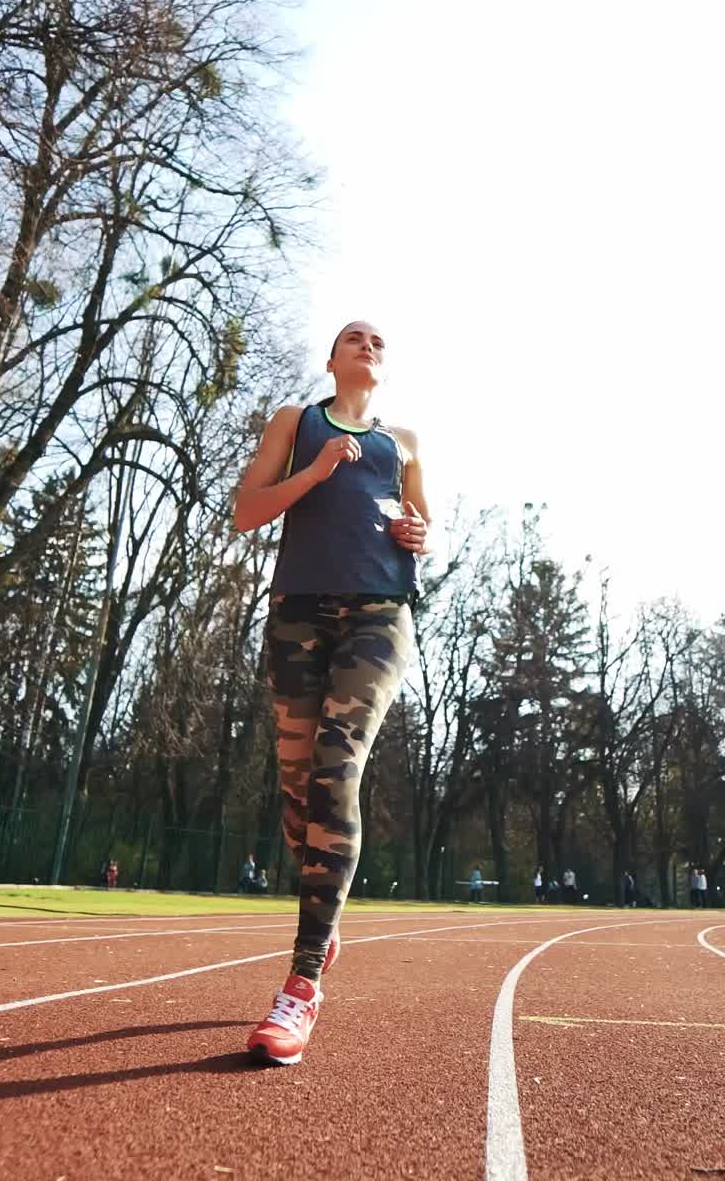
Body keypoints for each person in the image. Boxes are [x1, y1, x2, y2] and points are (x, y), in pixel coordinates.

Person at [233, 321, 432, 1065]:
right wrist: (314, 473)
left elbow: (424, 525)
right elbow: (246, 511)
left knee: (336, 764)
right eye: (354, 337)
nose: (369, 344)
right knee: (297, 791)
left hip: (379, 616)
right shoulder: (298, 422)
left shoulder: (403, 441)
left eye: (380, 341)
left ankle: (302, 982)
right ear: (332, 360)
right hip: (298, 613)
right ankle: (328, 903)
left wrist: (420, 533)